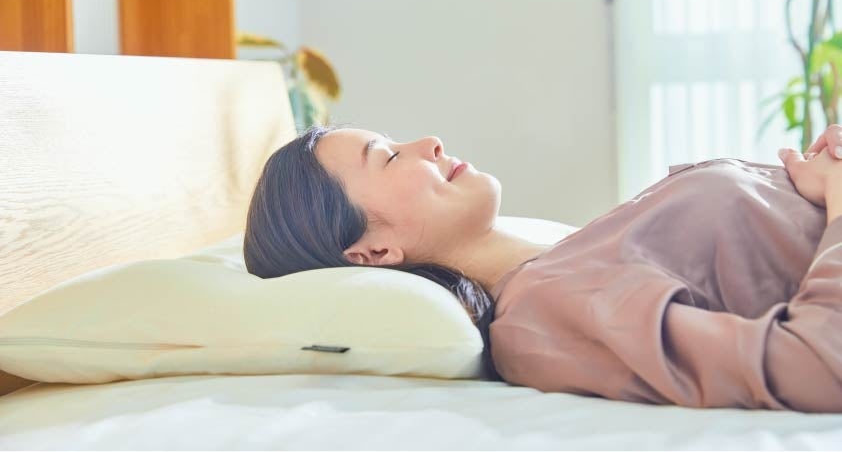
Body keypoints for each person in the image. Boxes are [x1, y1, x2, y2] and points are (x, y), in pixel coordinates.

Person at [243, 122, 842, 413]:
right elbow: (818, 363)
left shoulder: (570, 251)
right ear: (372, 253)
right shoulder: (542, 314)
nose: (429, 142)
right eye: (390, 156)